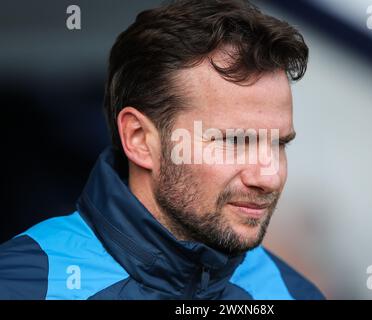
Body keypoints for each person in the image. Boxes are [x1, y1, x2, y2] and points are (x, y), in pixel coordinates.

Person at [0, 0, 324, 299]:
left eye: (278, 143)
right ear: (140, 139)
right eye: (234, 142)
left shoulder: (294, 294)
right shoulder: (24, 286)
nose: (268, 178)